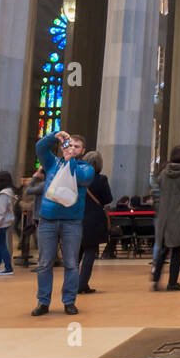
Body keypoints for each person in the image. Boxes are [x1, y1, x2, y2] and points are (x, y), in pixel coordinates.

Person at [31, 130, 94, 316]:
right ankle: (43, 302)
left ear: (82, 151)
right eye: (69, 145)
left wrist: (69, 160)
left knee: (71, 263)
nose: (72, 148)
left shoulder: (85, 168)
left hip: (72, 222)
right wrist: (53, 136)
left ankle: (69, 301)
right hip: (48, 219)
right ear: (62, 147)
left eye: (77, 146)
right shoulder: (52, 164)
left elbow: (82, 179)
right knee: (44, 263)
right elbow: (40, 148)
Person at [151, 145, 180, 291]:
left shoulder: (164, 173)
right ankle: (172, 282)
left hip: (164, 214)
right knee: (177, 250)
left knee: (163, 250)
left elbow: (158, 184)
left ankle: (156, 279)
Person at [78, 152, 113, 294]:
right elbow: (108, 199)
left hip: (77, 217)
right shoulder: (101, 179)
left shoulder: (77, 177)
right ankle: (82, 285)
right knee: (90, 252)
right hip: (94, 220)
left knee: (76, 254)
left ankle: (70, 284)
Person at [18, 167, 44, 267]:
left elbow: (29, 192)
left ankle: (43, 264)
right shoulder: (43, 184)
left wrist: (33, 179)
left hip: (37, 215)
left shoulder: (42, 185)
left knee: (40, 239)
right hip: (36, 215)